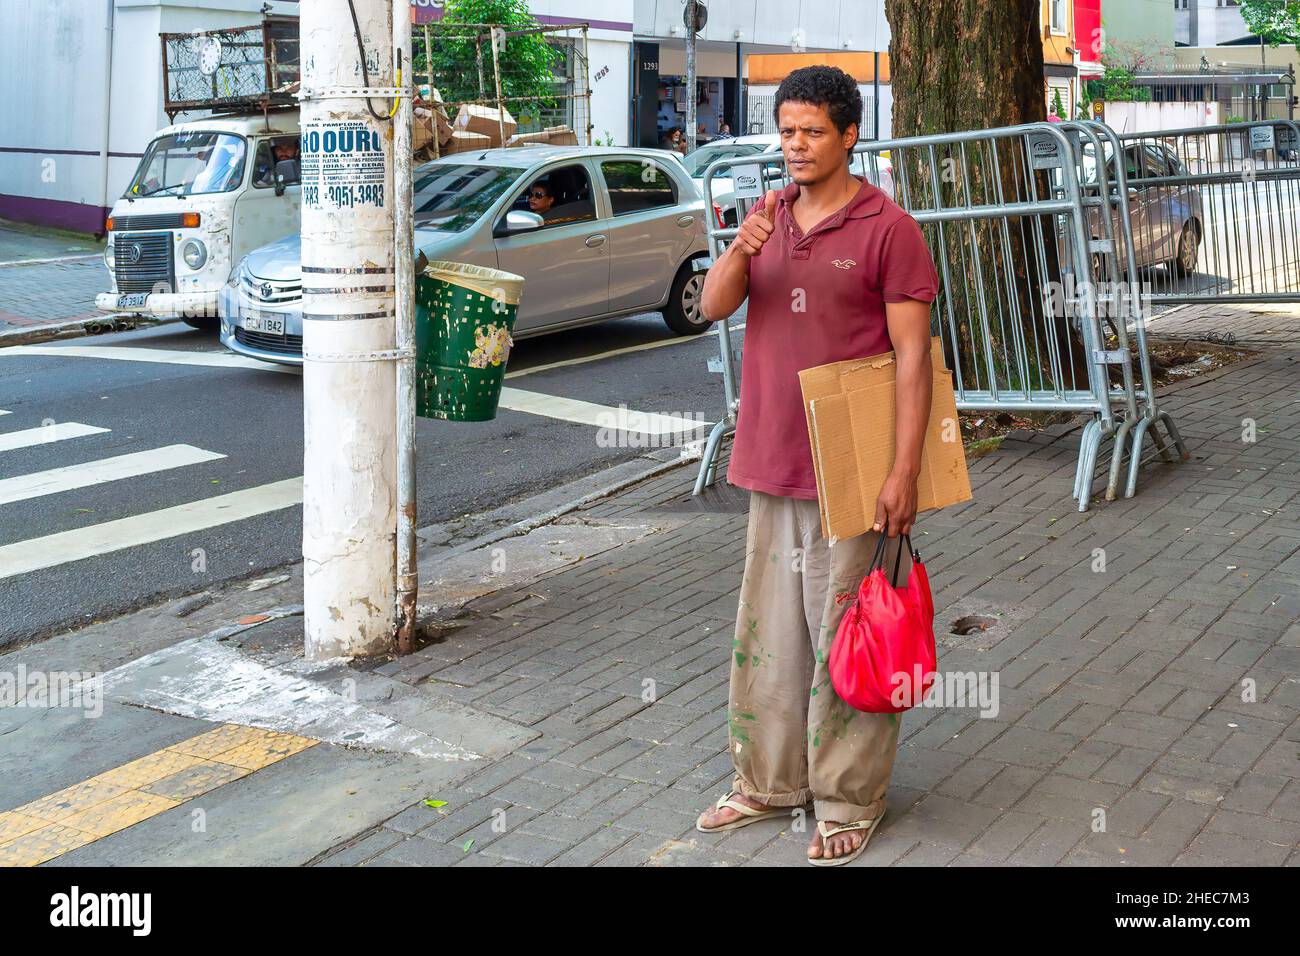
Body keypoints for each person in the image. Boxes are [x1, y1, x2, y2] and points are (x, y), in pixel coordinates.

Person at [695, 65, 939, 865]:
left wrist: (903, 472)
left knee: (849, 637)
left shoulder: (888, 229)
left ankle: (847, 798)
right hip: (771, 456)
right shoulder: (768, 214)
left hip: (854, 470)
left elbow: (913, 360)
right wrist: (741, 246)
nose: (795, 146)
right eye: (787, 131)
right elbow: (714, 307)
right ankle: (769, 784)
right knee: (769, 637)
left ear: (848, 136)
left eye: (811, 132)